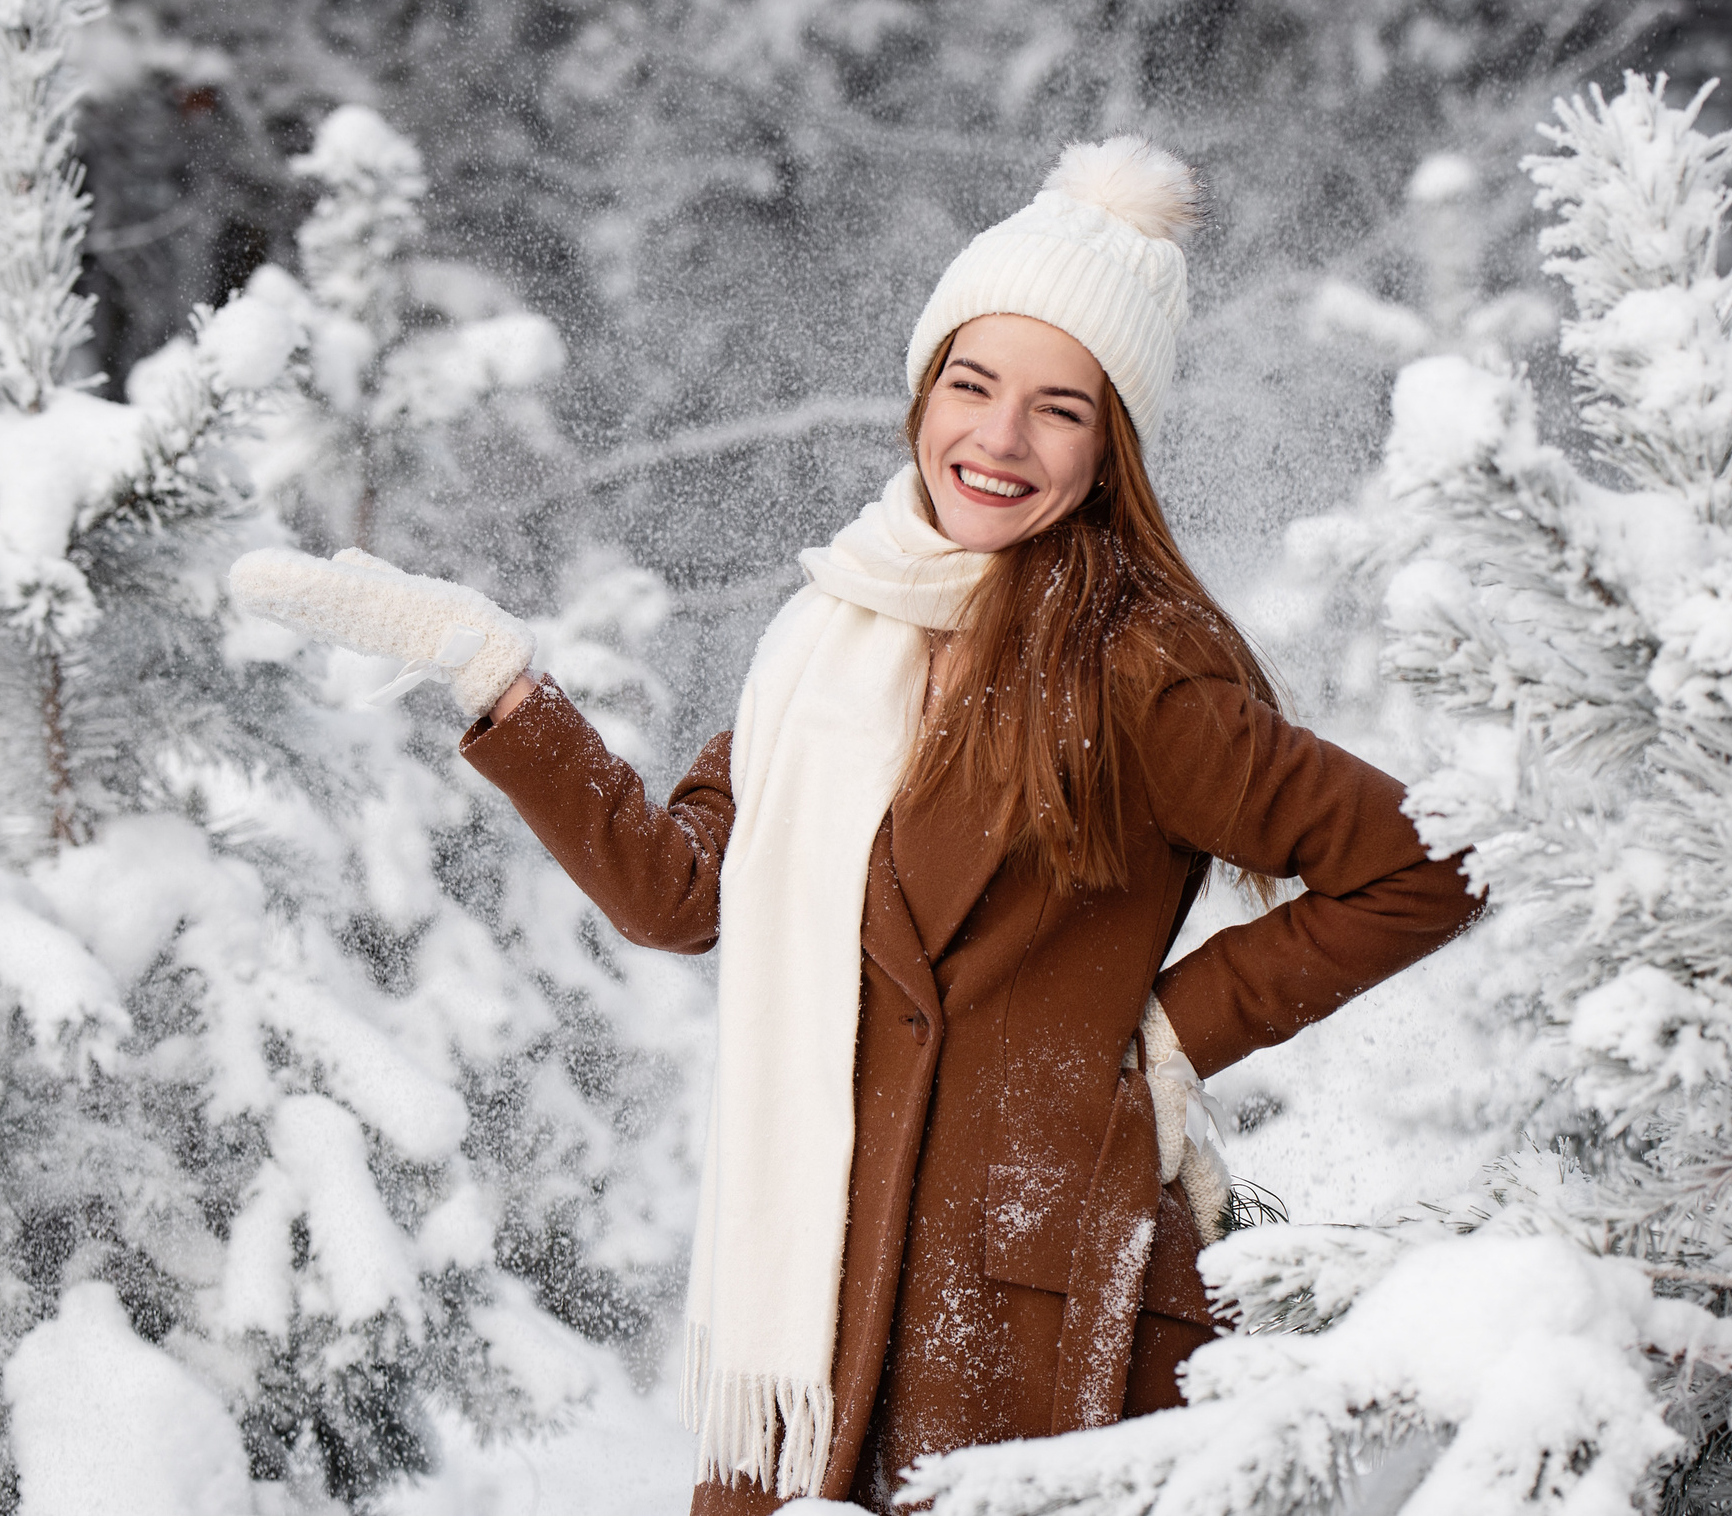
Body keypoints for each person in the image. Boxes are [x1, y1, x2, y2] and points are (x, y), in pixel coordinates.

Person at [230, 136, 1482, 1514]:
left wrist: (1175, 1026)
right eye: (973, 383)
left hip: (1020, 1296)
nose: (998, 441)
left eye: (1059, 408)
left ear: (1110, 441)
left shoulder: (1134, 665)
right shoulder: (834, 631)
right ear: (923, 388)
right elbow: (681, 893)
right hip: (816, 1290)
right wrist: (497, 681)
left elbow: (1425, 859)